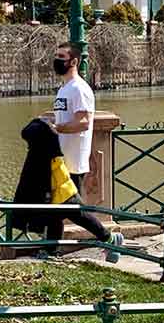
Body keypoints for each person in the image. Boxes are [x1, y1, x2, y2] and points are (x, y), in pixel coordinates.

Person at [13, 118, 123, 263]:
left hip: (63, 192)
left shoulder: (47, 154)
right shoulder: (45, 150)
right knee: (55, 217)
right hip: (58, 192)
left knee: (79, 215)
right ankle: (51, 250)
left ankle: (110, 238)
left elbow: (52, 177)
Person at [52, 42, 124, 255]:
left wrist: (56, 128)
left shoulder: (80, 89)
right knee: (54, 208)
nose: (57, 60)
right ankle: (50, 249)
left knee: (71, 209)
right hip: (61, 159)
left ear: (74, 61)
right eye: (56, 56)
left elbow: (83, 122)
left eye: (61, 57)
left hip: (73, 161)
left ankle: (109, 237)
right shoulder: (64, 88)